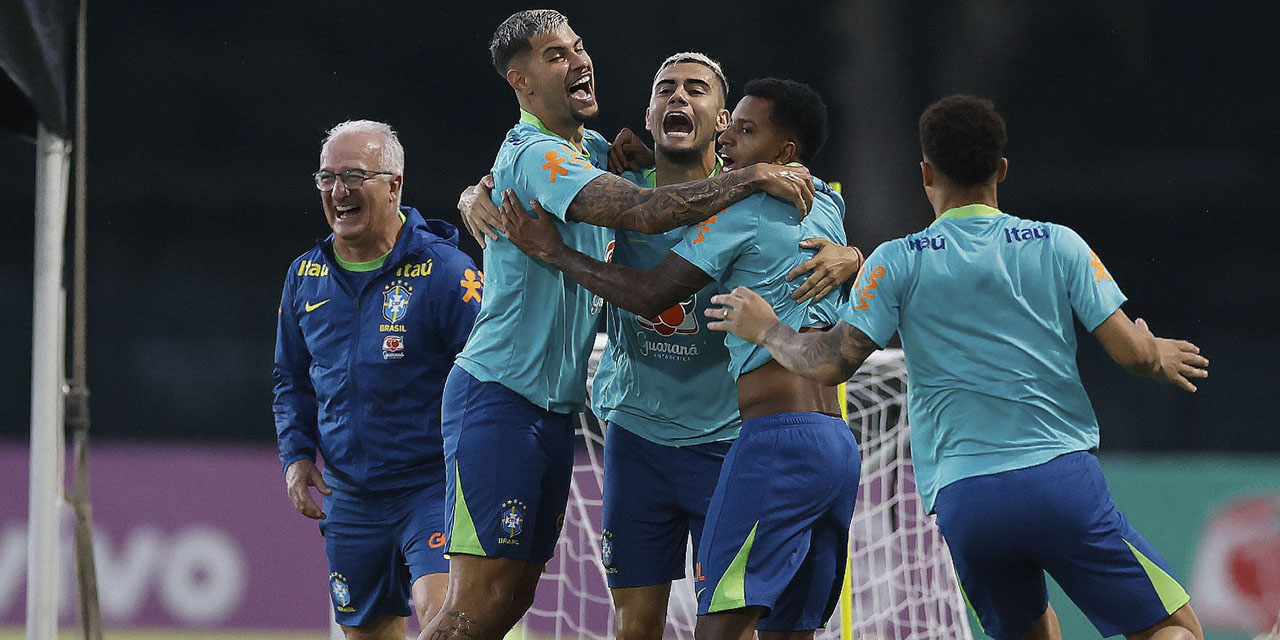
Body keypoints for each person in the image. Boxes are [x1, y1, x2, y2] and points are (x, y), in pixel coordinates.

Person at [705, 94, 1210, 640]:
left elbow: (829, 364)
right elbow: (1132, 353)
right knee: (1174, 629)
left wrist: (768, 330)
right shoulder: (1057, 243)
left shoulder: (896, 260)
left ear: (925, 172)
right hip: (1060, 482)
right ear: (1002, 169)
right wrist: (1156, 355)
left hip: (967, 500)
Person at [421, 11, 818, 640]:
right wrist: (752, 174)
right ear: (520, 80)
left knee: (512, 598)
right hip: (502, 395)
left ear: (722, 119)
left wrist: (849, 257)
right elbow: (643, 211)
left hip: (557, 411)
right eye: (555, 56)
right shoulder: (543, 157)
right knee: (478, 605)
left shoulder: (599, 153)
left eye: (578, 48)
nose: (579, 61)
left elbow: (820, 206)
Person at [496, 78, 860, 640]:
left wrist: (550, 250)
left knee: (724, 625)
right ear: (647, 112)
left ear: (718, 122)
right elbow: (523, 171)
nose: (679, 98)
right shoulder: (618, 187)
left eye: (700, 91)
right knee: (674, 625)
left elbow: (649, 292)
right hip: (648, 436)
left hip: (737, 440)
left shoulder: (755, 204)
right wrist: (477, 195)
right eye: (666, 88)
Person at [272, 120, 483, 639]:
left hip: (433, 487)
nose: (337, 191)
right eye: (326, 178)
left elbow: (488, 381)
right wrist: (297, 456)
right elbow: (291, 378)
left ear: (394, 185)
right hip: (351, 495)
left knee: (444, 620)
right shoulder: (305, 277)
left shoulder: (447, 272)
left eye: (353, 176)